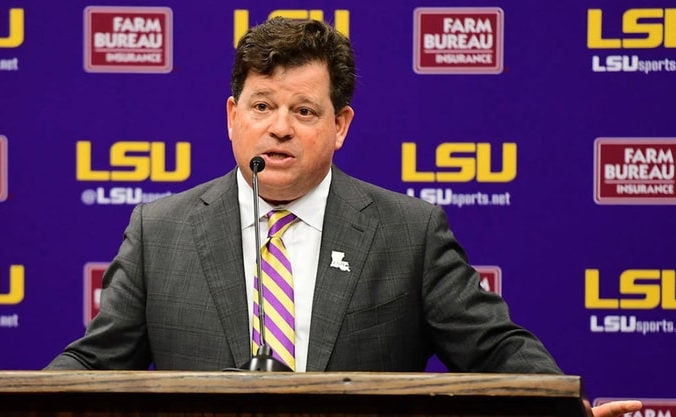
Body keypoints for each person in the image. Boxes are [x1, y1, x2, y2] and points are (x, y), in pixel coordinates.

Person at [46, 17, 640, 417]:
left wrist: (564, 410)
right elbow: (95, 360)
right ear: (232, 117)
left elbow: (493, 349)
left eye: (304, 110)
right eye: (262, 106)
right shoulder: (161, 232)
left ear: (340, 126)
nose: (279, 127)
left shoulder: (409, 233)